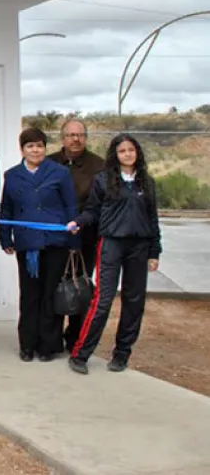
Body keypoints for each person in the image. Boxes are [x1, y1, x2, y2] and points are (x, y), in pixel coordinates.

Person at [68, 134, 161, 375]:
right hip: (111, 245)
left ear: (137, 153)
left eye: (131, 150)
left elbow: (153, 219)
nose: (128, 154)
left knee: (133, 301)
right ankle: (80, 354)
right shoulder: (103, 180)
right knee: (103, 301)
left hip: (139, 248)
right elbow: (92, 211)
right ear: (115, 155)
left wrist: (154, 251)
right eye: (122, 151)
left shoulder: (146, 182)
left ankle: (121, 354)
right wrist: (79, 222)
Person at [0, 127, 78, 362]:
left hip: (55, 242)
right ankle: (27, 345)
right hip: (27, 243)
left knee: (51, 295)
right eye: (30, 146)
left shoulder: (60, 173)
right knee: (30, 295)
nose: (35, 150)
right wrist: (5, 237)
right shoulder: (11, 175)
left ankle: (48, 346)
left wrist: (73, 239)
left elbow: (71, 207)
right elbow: (6, 208)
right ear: (22, 149)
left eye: (40, 145)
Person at [47, 117, 105, 352]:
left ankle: (76, 339)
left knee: (80, 289)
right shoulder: (49, 163)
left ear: (86, 138)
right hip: (53, 239)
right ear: (63, 138)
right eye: (71, 135)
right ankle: (50, 341)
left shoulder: (99, 166)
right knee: (54, 288)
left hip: (86, 239)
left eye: (80, 135)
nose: (76, 139)